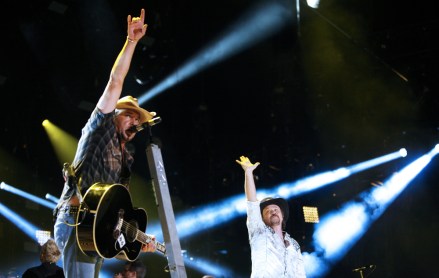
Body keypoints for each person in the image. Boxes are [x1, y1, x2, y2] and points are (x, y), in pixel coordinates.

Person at [53, 8, 157, 278]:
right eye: (129, 115)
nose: (134, 121)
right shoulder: (100, 129)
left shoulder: (126, 160)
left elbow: (117, 212)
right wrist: (131, 42)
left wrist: (139, 240)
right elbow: (115, 82)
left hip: (96, 232)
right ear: (115, 115)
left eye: (138, 118)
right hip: (77, 219)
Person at [236, 156, 307, 277]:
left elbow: (300, 273)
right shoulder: (258, 231)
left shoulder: (293, 243)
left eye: (275, 209)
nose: (273, 211)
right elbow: (252, 203)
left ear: (282, 215)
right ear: (261, 218)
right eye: (268, 211)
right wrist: (248, 173)